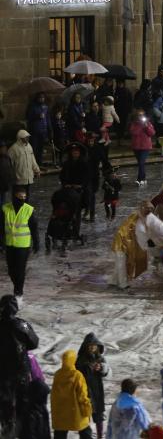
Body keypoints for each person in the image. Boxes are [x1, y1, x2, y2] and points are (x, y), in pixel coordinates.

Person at [0, 295, 39, 437]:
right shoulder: (21, 325)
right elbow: (34, 342)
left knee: (5, 401)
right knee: (23, 400)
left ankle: (8, 426)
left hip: (3, 372)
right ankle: (22, 428)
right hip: (21, 369)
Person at [1, 187, 39, 299]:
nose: (22, 199)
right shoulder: (5, 209)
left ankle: (18, 293)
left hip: (23, 246)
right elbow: (1, 228)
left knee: (20, 270)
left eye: (24, 197)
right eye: (20, 197)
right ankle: (17, 288)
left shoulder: (28, 210)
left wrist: (36, 242)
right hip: (9, 244)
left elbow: (34, 228)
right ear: (14, 197)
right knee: (11, 271)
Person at [51, 349, 93, 439]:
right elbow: (82, 396)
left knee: (60, 433)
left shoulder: (58, 374)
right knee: (85, 431)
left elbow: (54, 395)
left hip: (61, 412)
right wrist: (87, 410)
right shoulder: (77, 375)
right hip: (75, 412)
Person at [76, 333, 109, 439]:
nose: (92, 347)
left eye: (94, 345)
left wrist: (102, 368)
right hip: (84, 390)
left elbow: (108, 372)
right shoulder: (80, 359)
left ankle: (100, 436)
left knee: (99, 416)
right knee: (84, 415)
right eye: (90, 345)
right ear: (85, 346)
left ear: (97, 346)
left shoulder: (100, 358)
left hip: (97, 390)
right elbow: (76, 374)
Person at [134, 201, 163, 273]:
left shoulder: (151, 218)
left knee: (160, 254)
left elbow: (161, 230)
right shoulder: (142, 221)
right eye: (147, 208)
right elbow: (147, 233)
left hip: (161, 240)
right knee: (157, 254)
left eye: (150, 208)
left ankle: (159, 262)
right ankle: (158, 263)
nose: (149, 209)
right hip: (152, 243)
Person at [8, 129, 40, 198]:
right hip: (18, 179)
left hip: (28, 178)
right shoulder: (13, 149)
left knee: (27, 196)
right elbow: (9, 163)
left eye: (28, 137)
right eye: (26, 137)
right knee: (18, 197)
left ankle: (26, 205)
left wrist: (37, 170)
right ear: (20, 138)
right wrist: (12, 176)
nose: (27, 139)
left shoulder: (29, 146)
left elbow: (33, 160)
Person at [129, 108, 156, 186]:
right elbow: (134, 132)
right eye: (139, 115)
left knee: (141, 162)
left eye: (142, 115)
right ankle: (143, 179)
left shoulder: (148, 123)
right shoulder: (134, 124)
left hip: (145, 147)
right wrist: (140, 126)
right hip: (136, 147)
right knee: (141, 164)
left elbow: (152, 133)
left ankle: (139, 179)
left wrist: (146, 126)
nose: (141, 116)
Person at [26, 92, 51, 166]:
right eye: (40, 97)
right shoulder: (32, 106)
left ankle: (39, 163)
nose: (42, 99)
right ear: (37, 98)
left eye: (43, 97)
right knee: (34, 148)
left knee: (41, 148)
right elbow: (29, 117)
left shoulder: (45, 107)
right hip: (35, 131)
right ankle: (33, 164)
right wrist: (37, 116)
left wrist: (49, 129)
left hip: (43, 130)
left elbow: (48, 119)